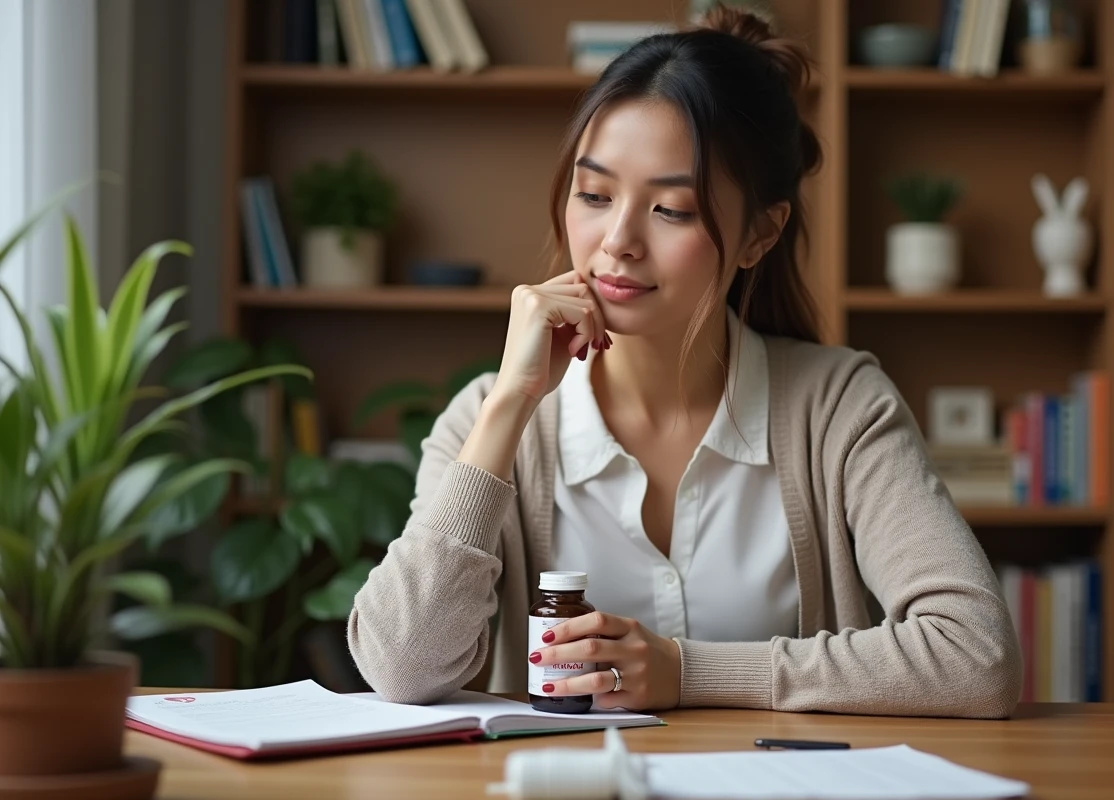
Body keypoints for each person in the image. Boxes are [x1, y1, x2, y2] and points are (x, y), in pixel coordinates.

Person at [348, 4, 1021, 719]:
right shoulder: (491, 419)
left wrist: (685, 671)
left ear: (760, 233)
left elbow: (975, 656)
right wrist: (509, 404)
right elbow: (401, 667)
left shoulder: (838, 408)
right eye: (595, 195)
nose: (617, 242)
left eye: (671, 209)